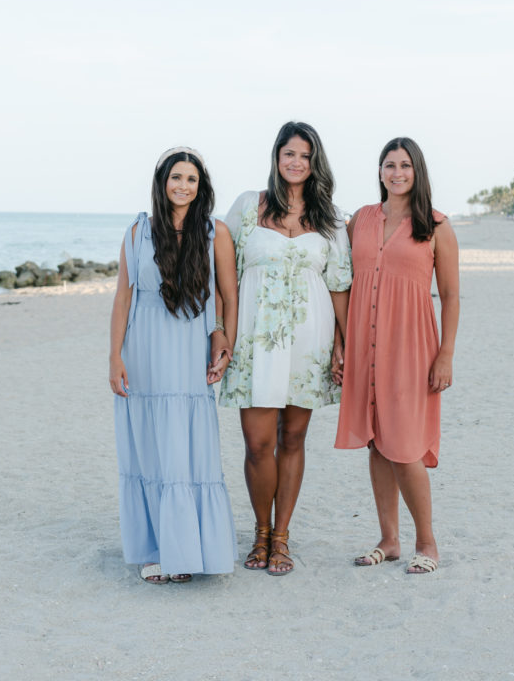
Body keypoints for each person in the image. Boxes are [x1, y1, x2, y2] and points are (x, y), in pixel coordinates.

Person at [219, 122, 352, 575]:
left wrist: (343, 344)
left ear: (316, 163)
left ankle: (282, 537)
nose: (296, 162)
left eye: (305, 156)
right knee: (258, 445)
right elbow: (224, 274)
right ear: (276, 157)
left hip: (308, 342)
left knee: (292, 439)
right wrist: (221, 330)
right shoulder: (248, 207)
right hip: (255, 340)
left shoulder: (330, 218)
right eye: (288, 153)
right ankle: (260, 531)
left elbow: (338, 286)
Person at [109, 147, 238, 583]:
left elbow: (227, 295)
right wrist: (115, 357)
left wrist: (223, 338)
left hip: (187, 353)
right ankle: (156, 549)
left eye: (192, 179)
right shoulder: (137, 231)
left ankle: (185, 551)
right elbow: (123, 297)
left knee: (185, 448)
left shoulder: (213, 232)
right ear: (162, 181)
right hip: (142, 350)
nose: (183, 186)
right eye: (176, 177)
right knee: (148, 447)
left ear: (201, 188)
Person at [334, 137, 460, 575]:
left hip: (412, 347)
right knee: (377, 441)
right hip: (364, 344)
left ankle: (428, 543)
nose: (397, 172)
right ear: (381, 171)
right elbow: (343, 284)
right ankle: (389, 541)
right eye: (390, 164)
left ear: (417, 170)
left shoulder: (437, 226)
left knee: (405, 447)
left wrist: (445, 355)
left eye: (405, 165)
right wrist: (339, 344)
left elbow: (450, 296)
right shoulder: (361, 221)